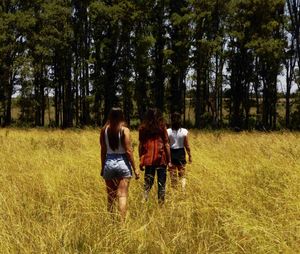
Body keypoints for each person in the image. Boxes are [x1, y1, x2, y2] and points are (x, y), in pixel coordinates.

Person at [100, 107, 140, 222]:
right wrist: (135, 168)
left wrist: (103, 167)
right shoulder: (124, 130)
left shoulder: (104, 130)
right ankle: (122, 223)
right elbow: (128, 151)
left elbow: (103, 150)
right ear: (121, 116)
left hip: (109, 162)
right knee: (122, 195)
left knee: (111, 197)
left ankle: (112, 221)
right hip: (123, 163)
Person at [138, 108, 172, 204]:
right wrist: (169, 160)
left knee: (147, 184)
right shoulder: (162, 127)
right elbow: (166, 144)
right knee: (161, 184)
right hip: (161, 159)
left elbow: (140, 145)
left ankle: (143, 201)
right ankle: (161, 205)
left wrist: (140, 159)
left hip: (148, 159)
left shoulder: (143, 128)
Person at [167, 112, 192, 190]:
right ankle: (183, 190)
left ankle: (174, 191)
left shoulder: (168, 131)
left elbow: (167, 145)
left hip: (171, 152)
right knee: (182, 173)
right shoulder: (184, 131)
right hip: (181, 152)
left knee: (173, 174)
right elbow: (187, 145)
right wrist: (190, 155)